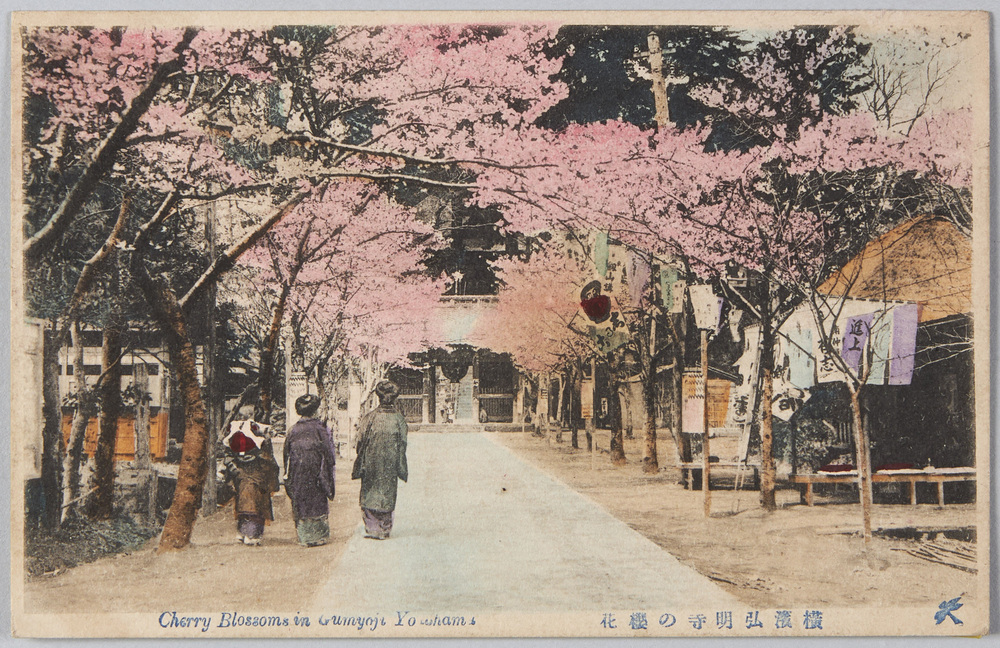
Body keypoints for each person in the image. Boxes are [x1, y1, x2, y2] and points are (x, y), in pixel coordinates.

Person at [352, 381, 408, 540]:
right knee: (387, 490)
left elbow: (360, 441)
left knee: (370, 491)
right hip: (390, 461)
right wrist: (400, 463)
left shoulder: (369, 418)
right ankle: (384, 528)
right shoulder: (399, 419)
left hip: (371, 460)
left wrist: (363, 457)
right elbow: (403, 444)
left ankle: (372, 528)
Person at [283, 394, 337, 547]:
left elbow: (286, 454)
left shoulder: (293, 430)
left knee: (302, 503)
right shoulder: (320, 429)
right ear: (315, 411)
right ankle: (319, 536)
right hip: (316, 472)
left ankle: (304, 537)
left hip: (298, 472)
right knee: (318, 502)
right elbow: (329, 453)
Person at [222, 420, 280, 546]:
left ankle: (242, 533)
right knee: (255, 506)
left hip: (240, 473)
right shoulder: (260, 440)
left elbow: (228, 457)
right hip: (256, 474)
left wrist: (234, 470)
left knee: (243, 503)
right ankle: (251, 535)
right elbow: (268, 461)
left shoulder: (233, 438)